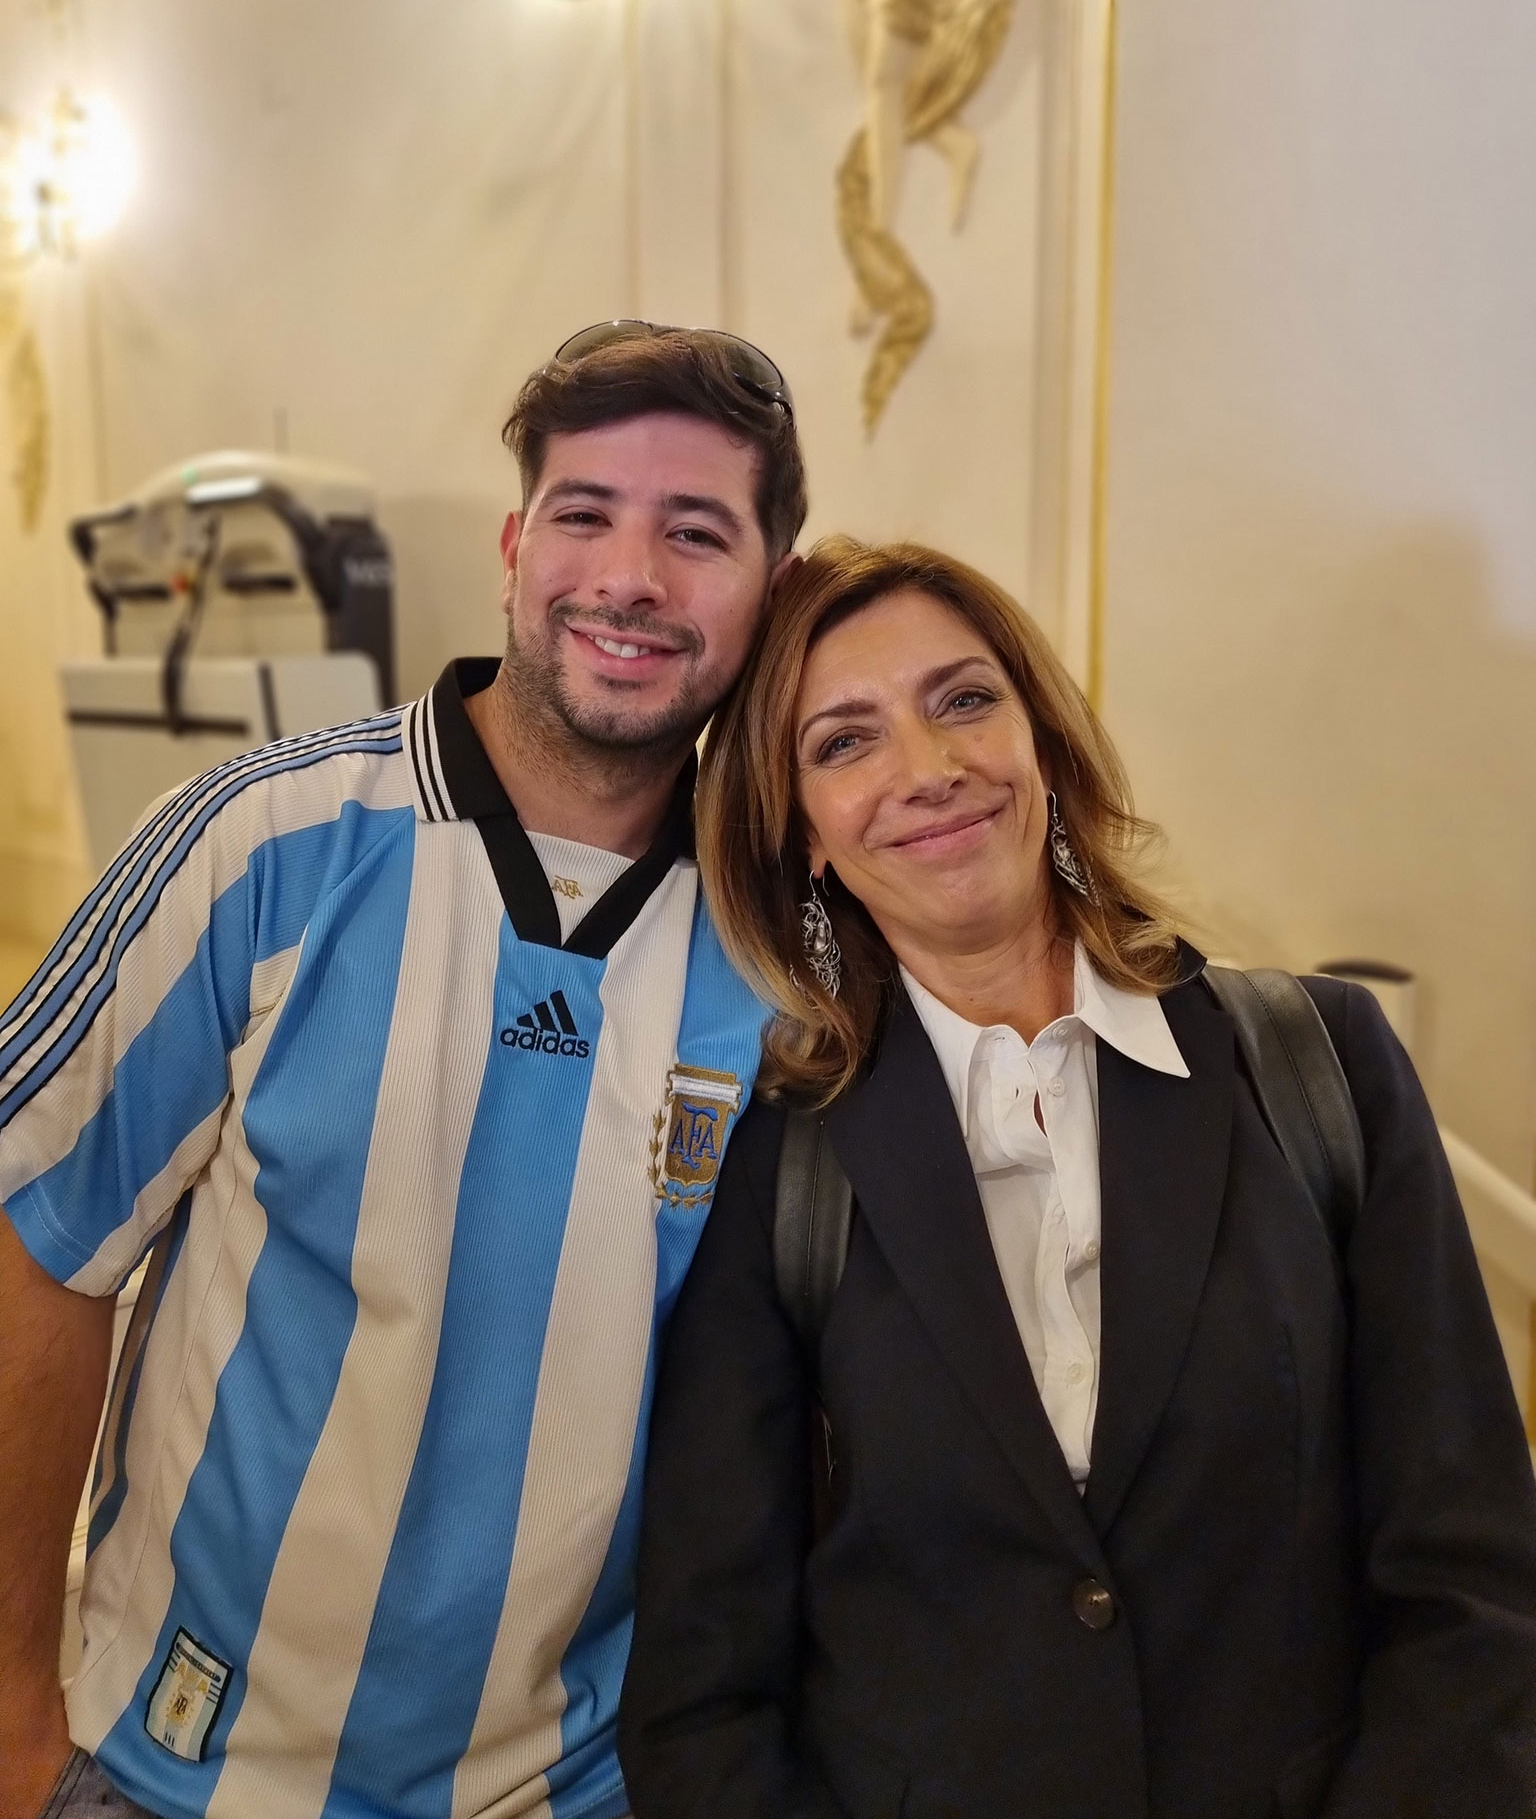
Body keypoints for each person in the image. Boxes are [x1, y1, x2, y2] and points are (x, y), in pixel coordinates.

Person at [0, 321, 806, 1819]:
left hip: (577, 1788)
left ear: (772, 587)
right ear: (515, 548)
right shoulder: (263, 843)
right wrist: (9, 1723)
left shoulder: (778, 952)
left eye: (698, 534)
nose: (631, 576)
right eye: (584, 514)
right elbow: (34, 1240)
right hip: (176, 1770)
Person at [618, 537, 1536, 1819]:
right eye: (845, 741)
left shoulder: (1324, 1065)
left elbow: (1473, 1581)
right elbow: (704, 1686)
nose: (927, 767)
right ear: (801, 834)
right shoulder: (779, 1161)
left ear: (1041, 737)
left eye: (964, 699)